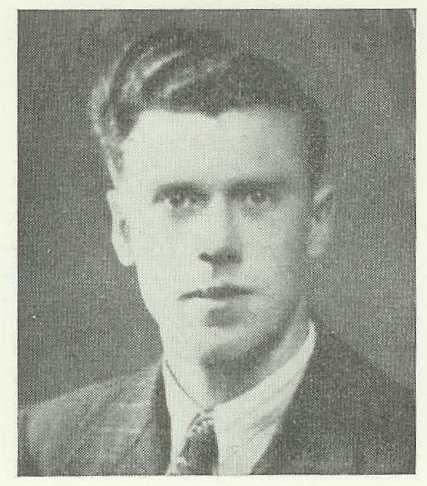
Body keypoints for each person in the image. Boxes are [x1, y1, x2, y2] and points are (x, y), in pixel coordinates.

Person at [18, 27, 415, 475]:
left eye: (256, 198)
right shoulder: (37, 449)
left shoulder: (408, 448)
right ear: (123, 228)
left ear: (316, 222)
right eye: (179, 199)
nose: (218, 245)